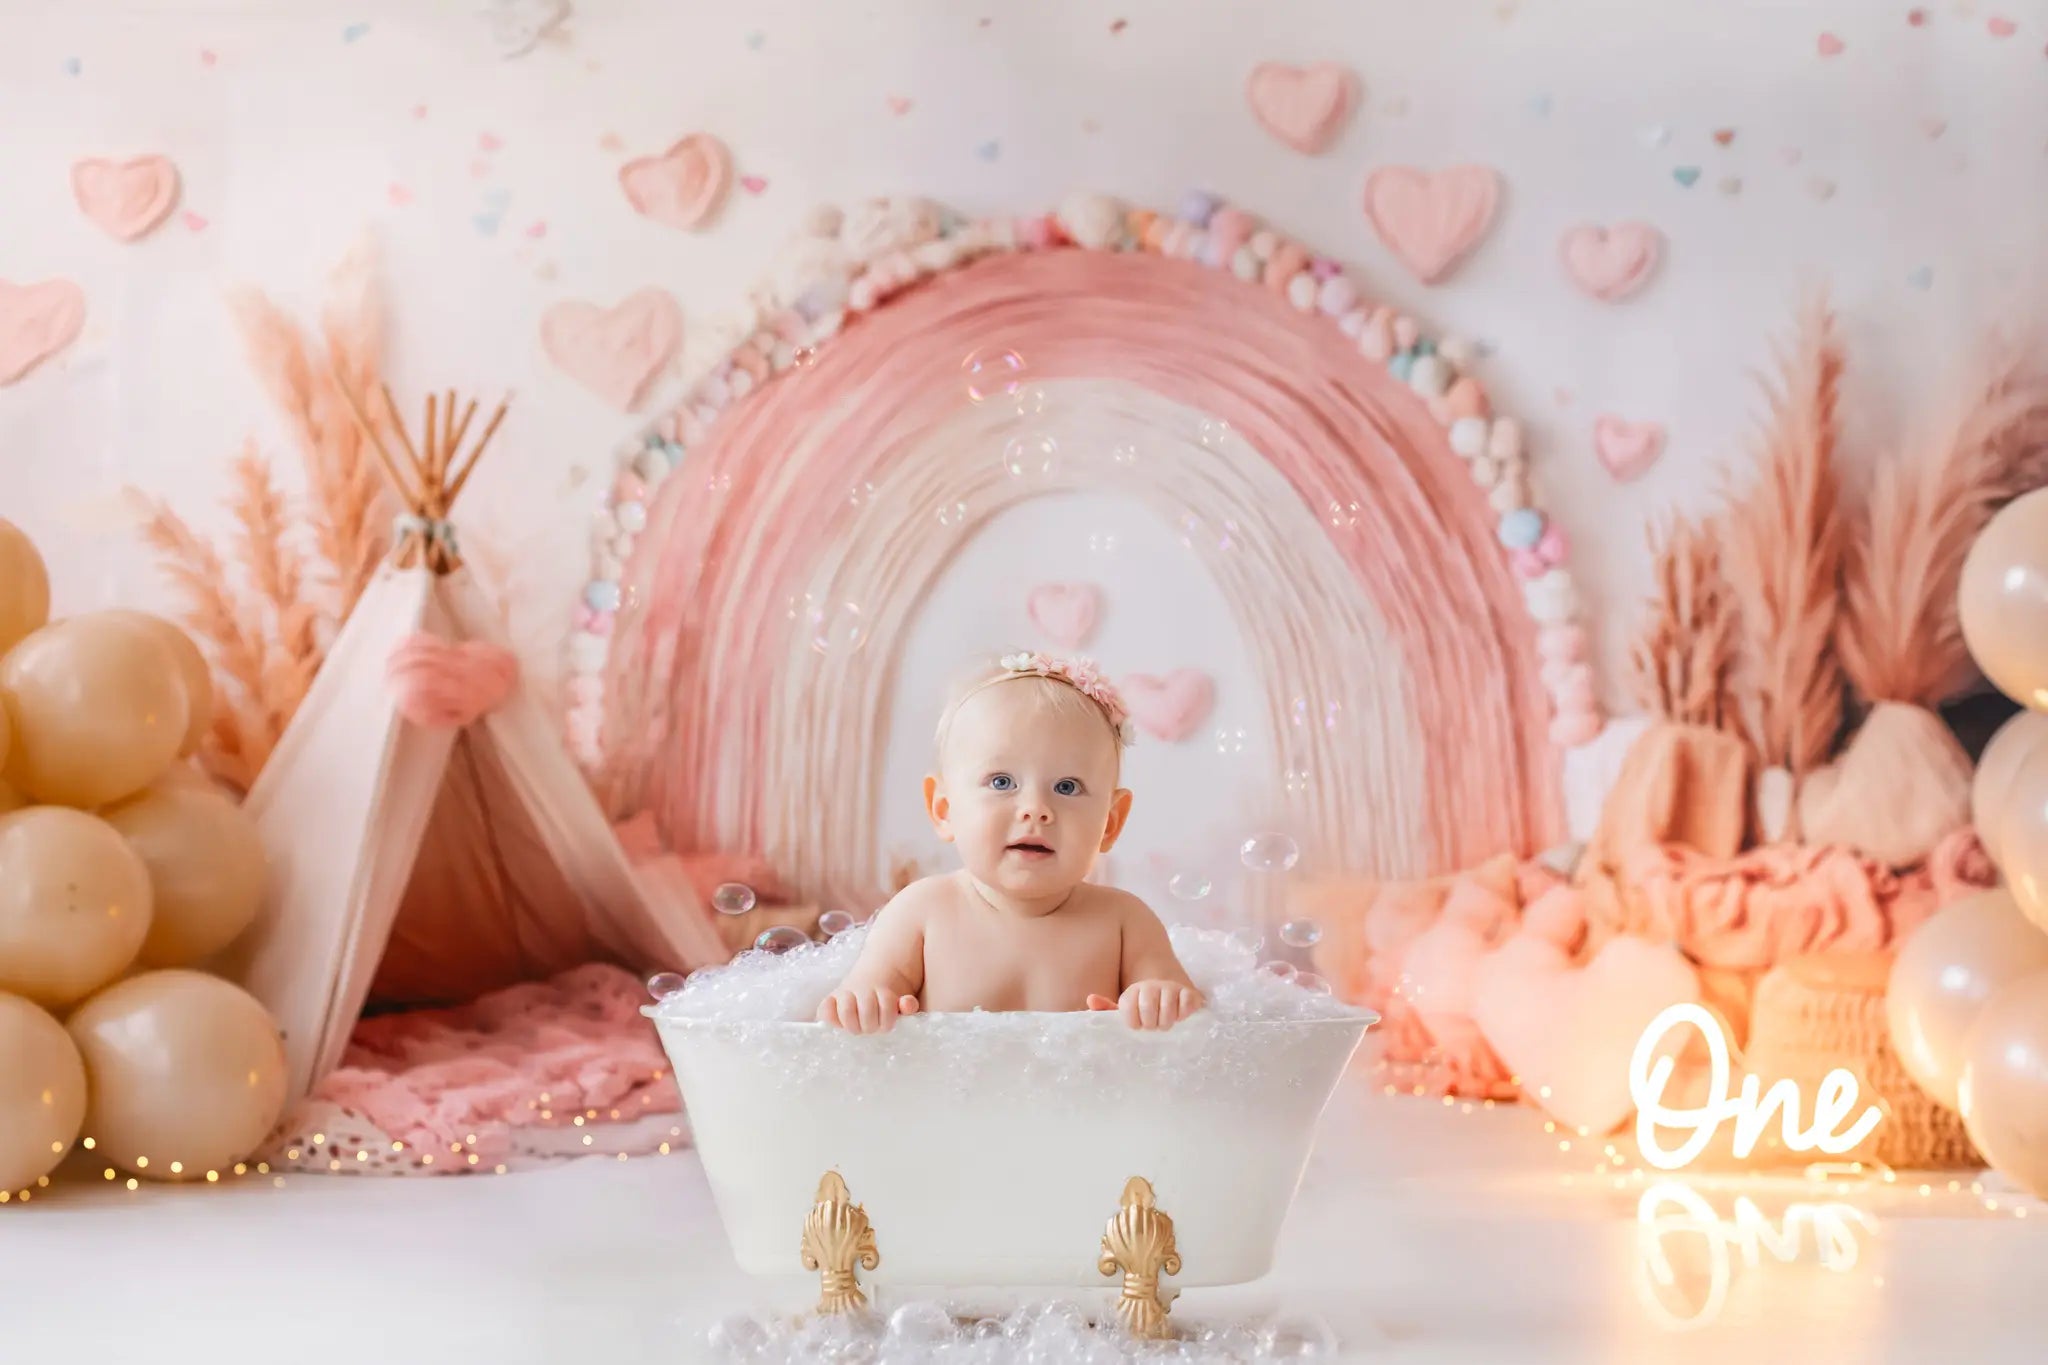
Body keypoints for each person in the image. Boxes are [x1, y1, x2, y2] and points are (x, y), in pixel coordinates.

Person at [817, 652, 1205, 1033]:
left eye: (1067, 787)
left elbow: (1189, 1017)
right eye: (1002, 782)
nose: (1036, 810)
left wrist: (1157, 1002)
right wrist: (863, 1002)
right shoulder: (920, 913)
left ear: (1110, 822)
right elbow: (856, 999)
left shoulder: (1125, 923)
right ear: (944, 809)